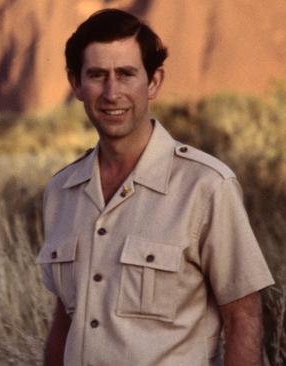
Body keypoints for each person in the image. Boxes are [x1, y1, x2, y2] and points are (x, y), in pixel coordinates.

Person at [36, 9, 274, 366]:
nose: (112, 93)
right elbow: (66, 319)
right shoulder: (62, 191)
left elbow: (243, 316)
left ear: (154, 82)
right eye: (97, 75)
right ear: (76, 83)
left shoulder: (206, 186)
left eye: (126, 74)